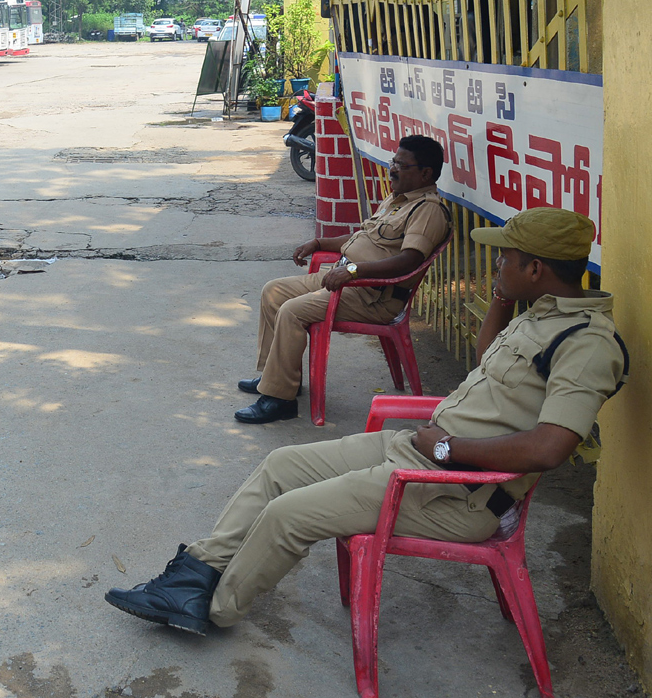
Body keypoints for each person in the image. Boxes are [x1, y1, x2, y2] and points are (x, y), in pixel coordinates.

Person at [105, 207, 626, 635]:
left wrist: (449, 450)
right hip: (420, 453)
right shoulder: (541, 312)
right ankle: (195, 573)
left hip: (455, 490)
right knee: (280, 465)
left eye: (505, 259)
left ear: (536, 268)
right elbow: (488, 361)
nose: (496, 264)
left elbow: (550, 448)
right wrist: (502, 297)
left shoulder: (586, 344)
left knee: (289, 514)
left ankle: (211, 610)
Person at [236, 134, 451, 424]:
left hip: (372, 296)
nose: (393, 169)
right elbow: (363, 237)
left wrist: (353, 272)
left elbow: (408, 261)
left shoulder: (428, 210)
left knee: (292, 311)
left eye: (402, 164)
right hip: (345, 278)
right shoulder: (397, 199)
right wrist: (320, 243)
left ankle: (279, 400)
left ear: (425, 173)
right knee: (274, 292)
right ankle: (277, 378)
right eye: (394, 161)